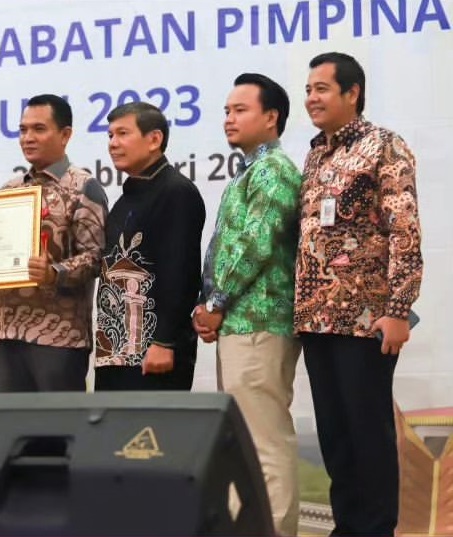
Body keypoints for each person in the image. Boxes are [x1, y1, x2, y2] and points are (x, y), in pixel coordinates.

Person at [295, 52, 422, 536]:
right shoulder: (315, 154)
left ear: (353, 93)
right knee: (335, 434)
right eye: (308, 89)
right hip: (316, 317)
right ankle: (348, 526)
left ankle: (374, 529)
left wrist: (398, 309)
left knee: (367, 431)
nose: (312, 98)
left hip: (366, 318)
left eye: (322, 88)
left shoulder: (383, 146)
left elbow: (404, 231)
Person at [0, 94, 107, 392]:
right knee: (12, 421)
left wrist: (54, 272)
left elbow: (95, 257)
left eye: (39, 129)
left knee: (56, 422)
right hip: (5, 332)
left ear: (65, 135)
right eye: (23, 130)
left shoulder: (83, 187)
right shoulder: (9, 191)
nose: (28, 137)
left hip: (58, 336)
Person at [192, 74, 303, 536]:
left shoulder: (274, 169)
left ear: (271, 117)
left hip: (260, 322)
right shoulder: (249, 171)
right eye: (226, 111)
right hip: (239, 323)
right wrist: (207, 305)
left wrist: (216, 301)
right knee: (245, 445)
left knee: (264, 442)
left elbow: (255, 244)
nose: (229, 119)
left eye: (240, 110)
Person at [93, 102, 205, 391]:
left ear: (154, 139)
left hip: (154, 352)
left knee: (152, 423)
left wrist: (164, 341)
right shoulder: (127, 197)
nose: (113, 143)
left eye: (122, 133)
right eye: (110, 135)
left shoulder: (176, 192)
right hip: (115, 349)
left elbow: (181, 272)